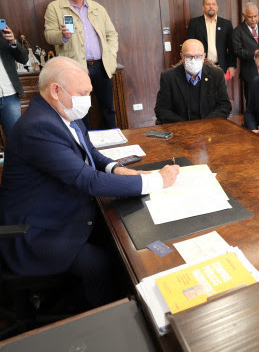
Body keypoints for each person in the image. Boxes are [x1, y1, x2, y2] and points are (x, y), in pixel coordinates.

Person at [0, 57, 179, 308]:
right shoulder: (38, 127)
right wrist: (156, 181)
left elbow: (89, 152)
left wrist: (116, 168)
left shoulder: (62, 113)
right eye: (83, 93)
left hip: (62, 211)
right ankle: (103, 316)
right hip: (36, 232)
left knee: (127, 238)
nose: (88, 100)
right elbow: (88, 180)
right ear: (55, 90)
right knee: (101, 262)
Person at [44, 0, 118, 129]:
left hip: (101, 66)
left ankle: (113, 143)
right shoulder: (55, 8)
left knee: (107, 109)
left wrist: (111, 55)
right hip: (74, 69)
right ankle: (84, 148)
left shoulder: (97, 7)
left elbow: (111, 34)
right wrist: (62, 36)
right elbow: (49, 35)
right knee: (79, 111)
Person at [155, 39, 232, 123]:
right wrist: (187, 126)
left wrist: (205, 124)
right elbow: (161, 110)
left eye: (198, 56)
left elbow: (225, 106)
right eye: (189, 56)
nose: (193, 60)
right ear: (182, 56)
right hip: (181, 129)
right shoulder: (168, 77)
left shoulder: (216, 74)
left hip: (209, 127)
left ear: (204, 56)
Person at [186, 0, 236, 77]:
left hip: (221, 66)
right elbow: (189, 46)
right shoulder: (194, 23)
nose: (211, 6)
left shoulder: (226, 24)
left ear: (217, 7)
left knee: (220, 89)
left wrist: (231, 66)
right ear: (203, 7)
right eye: (208, 4)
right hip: (200, 66)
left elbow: (231, 47)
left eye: (213, 4)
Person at [0, 24, 28, 137]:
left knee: (16, 139)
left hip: (10, 96)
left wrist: (13, 42)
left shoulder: (3, 34)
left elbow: (24, 59)